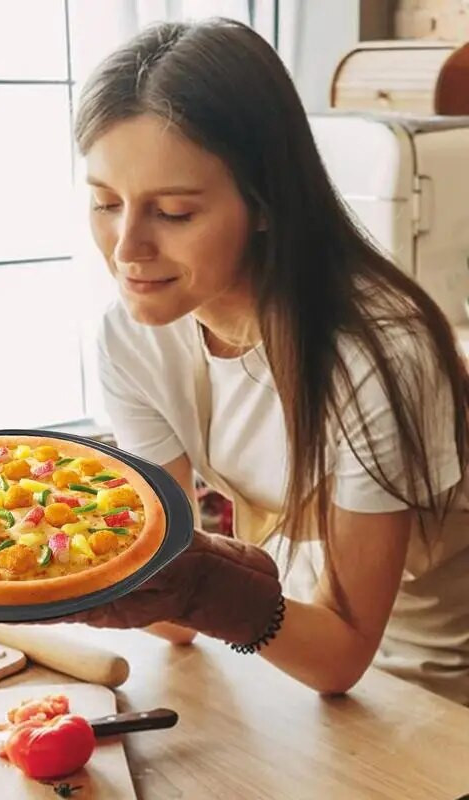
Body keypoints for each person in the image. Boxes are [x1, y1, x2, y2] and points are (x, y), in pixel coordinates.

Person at [55, 18, 469, 705]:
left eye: (174, 212)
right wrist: (60, 560)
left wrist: (199, 587)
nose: (126, 249)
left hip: (424, 672)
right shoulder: (132, 337)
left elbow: (340, 659)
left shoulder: (376, 355)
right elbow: (173, 620)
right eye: (106, 203)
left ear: (266, 203)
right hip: (290, 625)